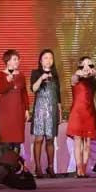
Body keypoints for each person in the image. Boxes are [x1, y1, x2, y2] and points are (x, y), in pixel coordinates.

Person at [30, 49, 62, 178]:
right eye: (45, 58)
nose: (48, 60)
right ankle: (38, 167)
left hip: (52, 109)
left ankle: (50, 167)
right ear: (40, 60)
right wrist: (41, 78)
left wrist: (59, 111)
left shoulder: (55, 74)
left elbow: (58, 95)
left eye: (50, 58)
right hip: (39, 109)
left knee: (50, 139)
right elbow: (33, 89)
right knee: (38, 139)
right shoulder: (35, 73)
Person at [66, 56, 96, 178]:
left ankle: (84, 169)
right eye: (84, 64)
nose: (87, 67)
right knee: (77, 142)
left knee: (87, 143)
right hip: (77, 113)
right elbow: (74, 79)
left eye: (89, 64)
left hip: (89, 113)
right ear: (80, 66)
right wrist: (78, 73)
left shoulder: (93, 80)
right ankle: (79, 168)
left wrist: (95, 73)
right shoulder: (75, 77)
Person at [0, 49, 29, 153]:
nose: (17, 61)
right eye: (14, 59)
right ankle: (5, 161)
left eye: (18, 59)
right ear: (7, 61)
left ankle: (16, 161)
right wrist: (8, 81)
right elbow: (0, 90)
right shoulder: (1, 75)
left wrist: (26, 110)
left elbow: (24, 93)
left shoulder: (21, 75)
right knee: (6, 141)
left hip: (18, 111)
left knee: (17, 141)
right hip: (6, 112)